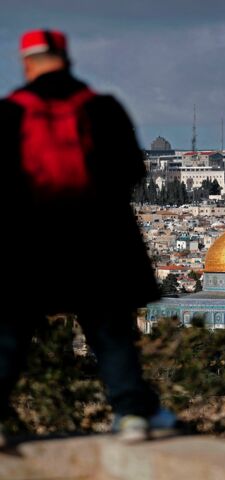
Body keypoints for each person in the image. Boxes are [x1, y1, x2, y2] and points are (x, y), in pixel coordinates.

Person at [0, 29, 174, 445]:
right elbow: (133, 170)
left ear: (27, 63)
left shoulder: (9, 113)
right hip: (97, 238)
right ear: (66, 57)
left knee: (9, 331)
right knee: (110, 330)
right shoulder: (102, 108)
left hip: (29, 240)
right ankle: (131, 415)